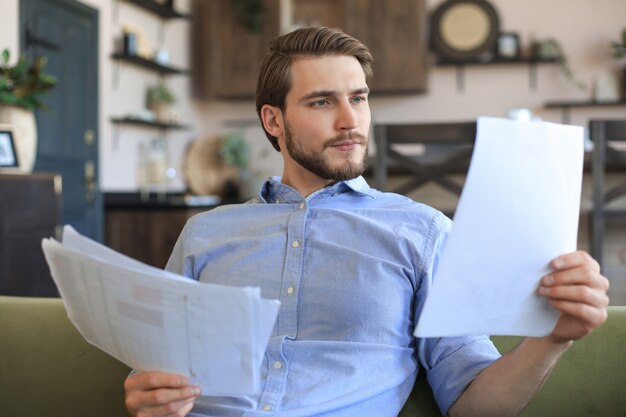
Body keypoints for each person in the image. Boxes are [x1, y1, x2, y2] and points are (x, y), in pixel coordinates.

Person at [124, 26, 609, 417]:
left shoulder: (421, 231)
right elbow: (158, 372)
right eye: (322, 102)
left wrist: (551, 338)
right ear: (273, 121)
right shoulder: (205, 232)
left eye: (358, 98)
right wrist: (149, 396)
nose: (349, 121)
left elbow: (472, 402)